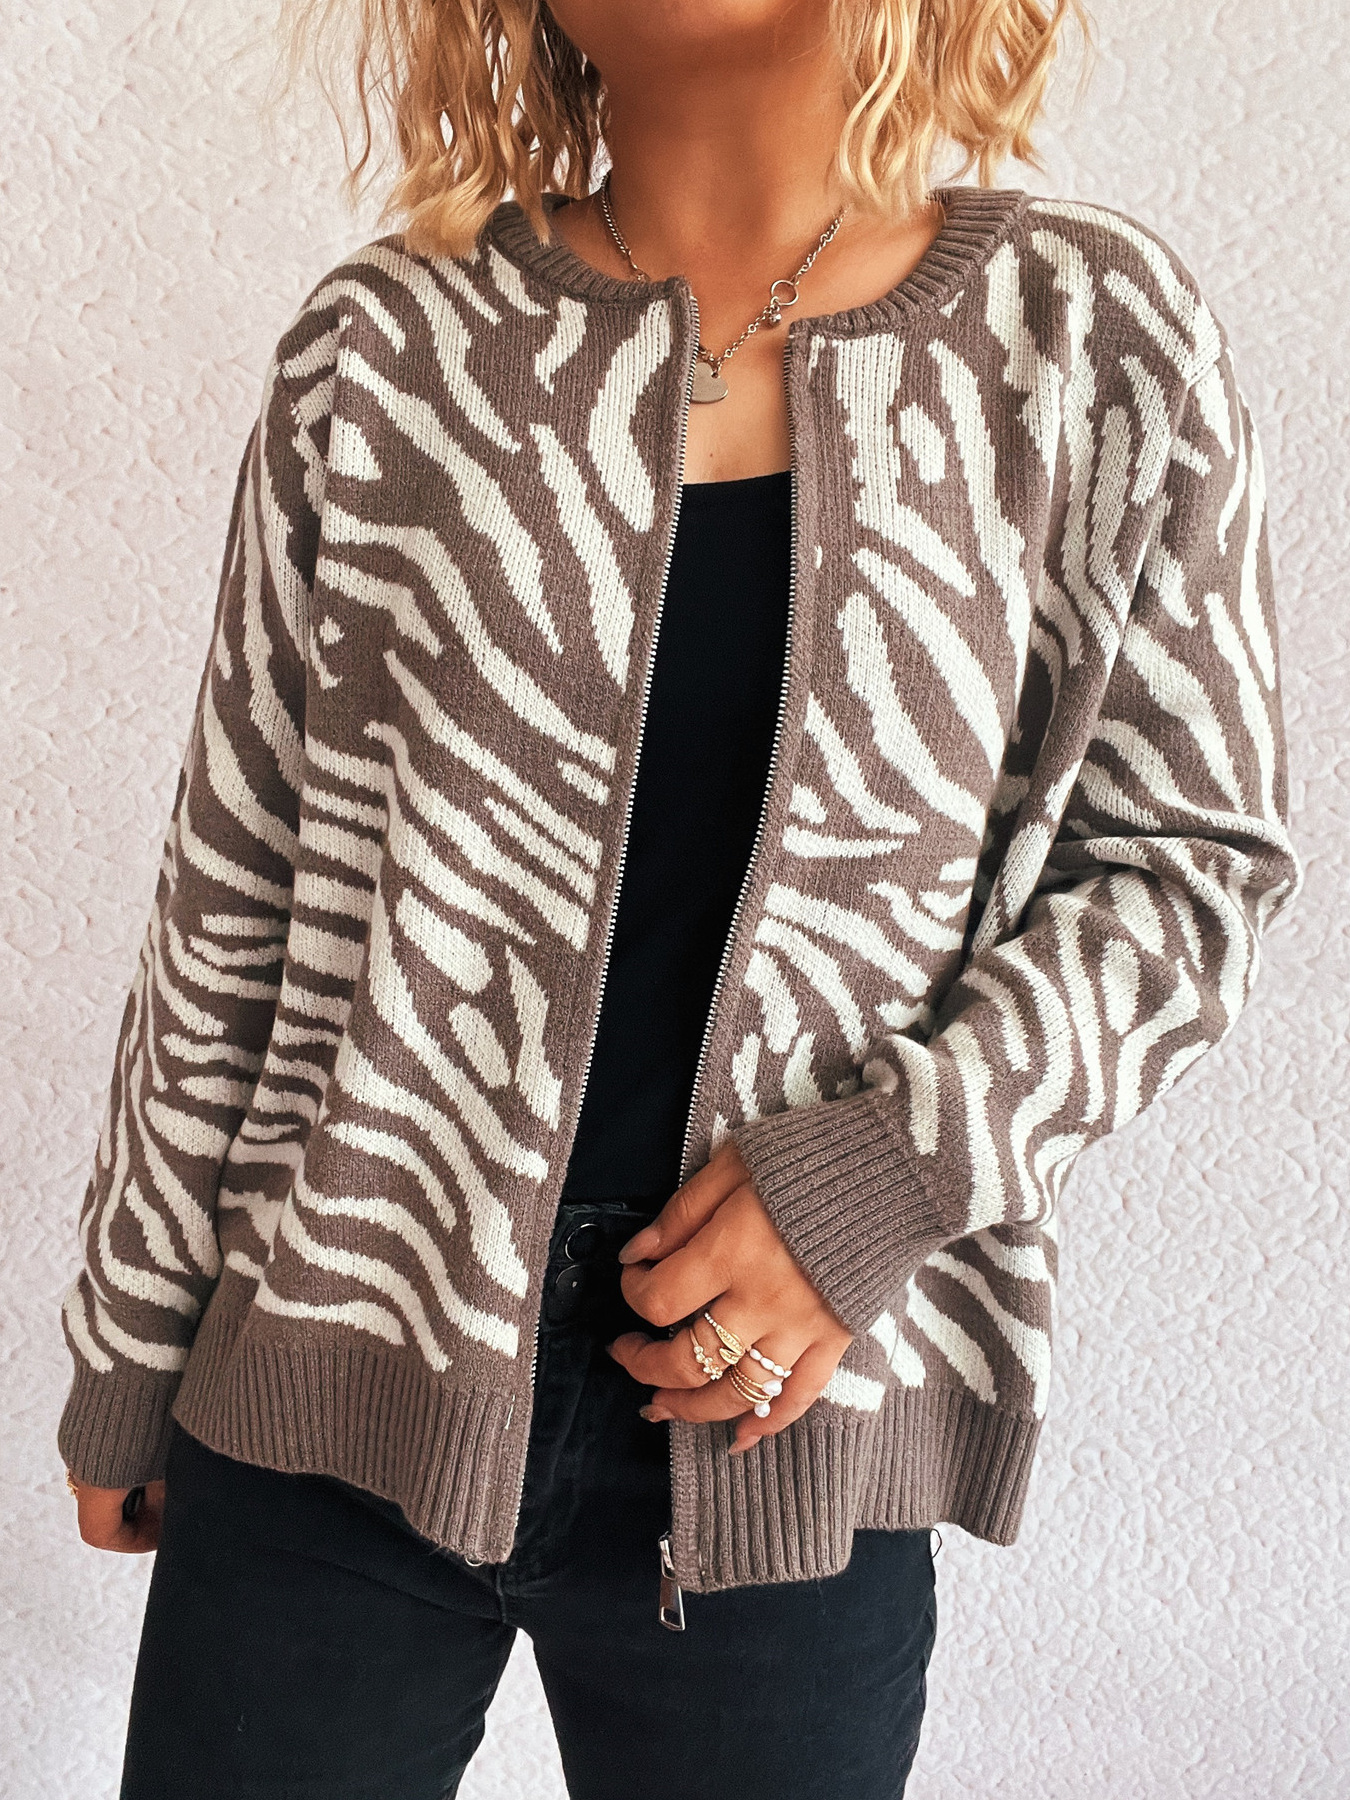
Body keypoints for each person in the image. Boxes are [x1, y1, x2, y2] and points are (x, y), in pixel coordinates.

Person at [56, 2, 1301, 1796]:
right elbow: (232, 892)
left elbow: (1187, 869)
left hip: (784, 1421)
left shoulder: (1083, 342)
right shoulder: (385, 345)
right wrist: (128, 1344)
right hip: (334, 1364)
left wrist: (870, 1186)